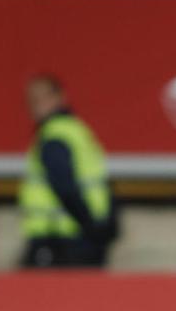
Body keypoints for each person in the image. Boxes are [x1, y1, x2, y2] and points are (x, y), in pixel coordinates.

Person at [19, 74, 117, 267]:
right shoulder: (77, 130)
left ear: (59, 97)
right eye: (32, 100)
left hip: (59, 237)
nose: (37, 105)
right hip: (81, 235)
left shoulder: (55, 136)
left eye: (43, 98)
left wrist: (90, 225)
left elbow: (65, 186)